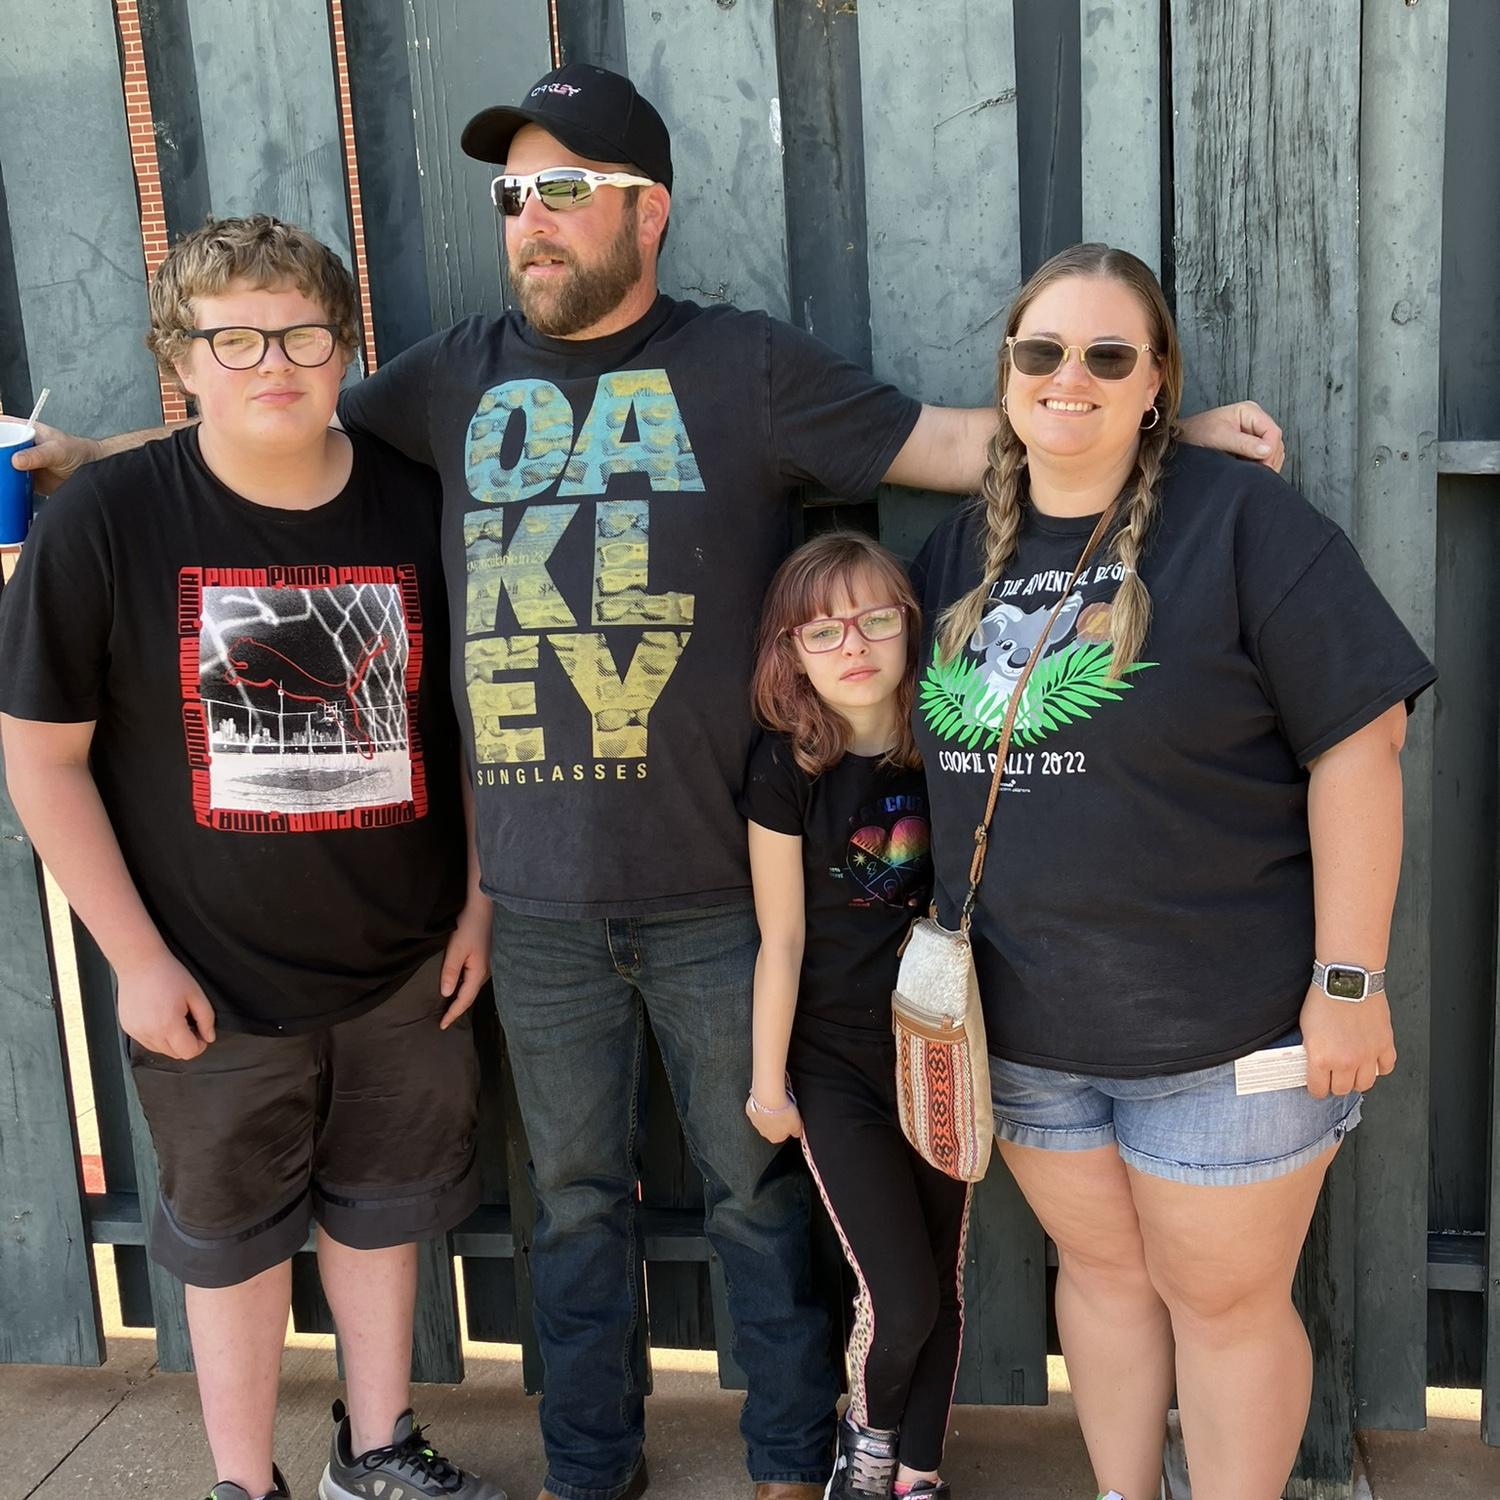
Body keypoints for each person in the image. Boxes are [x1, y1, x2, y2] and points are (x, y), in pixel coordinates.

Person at [7, 65, 1286, 1500]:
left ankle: (791, 1464)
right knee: (569, 1209)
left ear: (647, 211)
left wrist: (1146, 433)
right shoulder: (454, 371)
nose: (531, 222)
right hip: (540, 906)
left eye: (565, 191)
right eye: (514, 196)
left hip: (723, 892)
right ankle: (590, 1471)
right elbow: (268, 415)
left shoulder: (744, 365)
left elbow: (942, 439)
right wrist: (77, 456)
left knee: (755, 1203)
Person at [909, 243, 1436, 1500]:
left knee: (1224, 1304)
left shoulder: (1241, 524)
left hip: (1227, 1031)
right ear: (1009, 373)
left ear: (1157, 383)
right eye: (1042, 352)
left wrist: (1350, 979)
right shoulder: (953, 561)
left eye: (1109, 355)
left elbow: (1365, 742)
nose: (1069, 377)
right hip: (1027, 1031)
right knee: (1100, 1282)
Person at [0, 217, 502, 1500]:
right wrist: (134, 959)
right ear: (184, 357)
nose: (270, 360)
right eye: (234, 337)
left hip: (404, 964)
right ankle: (243, 1481)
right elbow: (44, 760)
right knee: (229, 1244)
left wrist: (481, 902)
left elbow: (490, 718)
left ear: (345, 347)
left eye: (300, 332)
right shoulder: (107, 521)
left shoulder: (419, 506)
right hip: (207, 980)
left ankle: (376, 1450)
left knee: (386, 1216)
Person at [739, 533, 964, 1500]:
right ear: (790, 652)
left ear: (910, 627)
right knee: (900, 1292)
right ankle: (865, 1440)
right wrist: (766, 1081)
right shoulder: (786, 770)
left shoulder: (952, 747)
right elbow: (780, 940)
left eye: (877, 618)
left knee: (942, 1289)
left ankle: (916, 1476)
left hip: (944, 1058)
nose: (854, 645)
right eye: (822, 629)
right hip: (837, 1070)